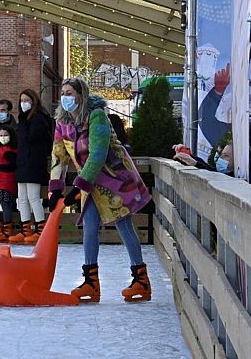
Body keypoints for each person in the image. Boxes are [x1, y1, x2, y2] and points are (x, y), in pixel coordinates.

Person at [49, 77, 152, 304]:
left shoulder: (96, 116)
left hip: (116, 179)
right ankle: (91, 283)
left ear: (81, 95)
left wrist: (77, 186)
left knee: (124, 225)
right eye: (63, 93)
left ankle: (141, 280)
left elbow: (98, 153)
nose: (66, 98)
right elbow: (58, 156)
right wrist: (55, 189)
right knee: (90, 227)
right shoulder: (63, 123)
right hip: (90, 183)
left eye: (70, 93)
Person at [8, 89, 53, 245]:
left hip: (34, 162)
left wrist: (24, 123)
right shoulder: (24, 119)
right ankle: (25, 228)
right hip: (23, 162)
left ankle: (41, 230)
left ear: (33, 101)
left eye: (27, 100)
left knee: (34, 197)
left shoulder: (39, 119)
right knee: (22, 198)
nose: (23, 103)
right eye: (21, 100)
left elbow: (31, 139)